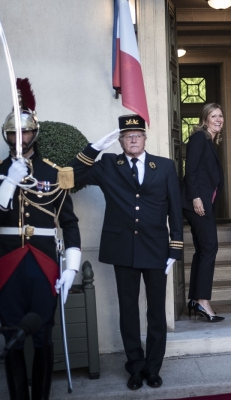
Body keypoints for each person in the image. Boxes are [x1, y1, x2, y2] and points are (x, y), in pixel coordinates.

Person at [70, 115, 183, 391]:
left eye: (138, 134)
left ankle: (153, 368)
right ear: (120, 141)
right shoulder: (109, 165)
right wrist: (95, 147)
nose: (133, 138)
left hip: (157, 248)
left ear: (145, 138)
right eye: (127, 135)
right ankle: (135, 366)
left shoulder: (165, 166)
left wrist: (175, 247)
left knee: (156, 311)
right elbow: (71, 175)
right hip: (123, 249)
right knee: (128, 310)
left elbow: (175, 209)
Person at [0, 78, 81, 400]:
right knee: (13, 338)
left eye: (25, 131)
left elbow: (69, 224)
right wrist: (7, 183)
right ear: (6, 134)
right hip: (6, 266)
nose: (20, 137)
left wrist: (70, 268)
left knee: (43, 336)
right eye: (14, 132)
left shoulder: (53, 173)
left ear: (35, 133)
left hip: (44, 264)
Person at [181, 103, 225, 322]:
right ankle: (202, 301)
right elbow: (191, 170)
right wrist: (196, 197)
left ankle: (196, 300)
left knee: (203, 249)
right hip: (196, 203)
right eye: (213, 116)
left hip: (203, 203)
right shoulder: (199, 138)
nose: (218, 119)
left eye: (220, 116)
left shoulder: (210, 141)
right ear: (205, 119)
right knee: (209, 247)